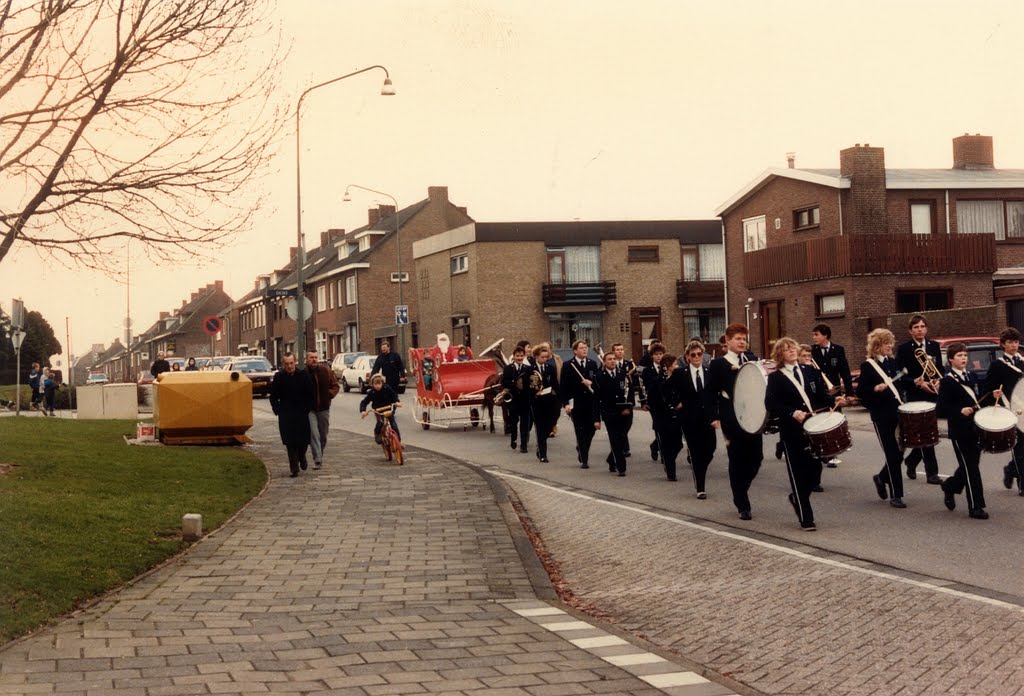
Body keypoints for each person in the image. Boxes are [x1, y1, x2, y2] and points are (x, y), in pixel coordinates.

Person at [765, 337, 845, 531]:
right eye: (786, 349)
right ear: (780, 355)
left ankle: (796, 498)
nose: (792, 351)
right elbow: (771, 404)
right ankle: (806, 517)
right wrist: (791, 412)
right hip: (792, 432)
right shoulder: (776, 377)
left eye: (793, 347)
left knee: (815, 471)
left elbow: (820, 397)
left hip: (813, 428)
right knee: (797, 473)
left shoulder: (810, 371)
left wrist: (836, 399)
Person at [708, 323, 763, 521]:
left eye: (744, 339)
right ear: (728, 341)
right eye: (738, 339)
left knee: (757, 458)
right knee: (737, 460)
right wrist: (714, 417)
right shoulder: (718, 365)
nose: (742, 342)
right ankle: (742, 503)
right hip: (731, 419)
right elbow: (710, 393)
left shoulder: (752, 360)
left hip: (753, 418)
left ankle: (741, 488)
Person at [939, 343, 1000, 519]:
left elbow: (978, 401)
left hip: (975, 428)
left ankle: (949, 486)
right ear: (951, 359)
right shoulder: (947, 381)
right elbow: (941, 409)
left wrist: (992, 395)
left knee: (969, 466)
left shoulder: (971, 376)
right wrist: (959, 411)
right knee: (971, 468)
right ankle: (976, 507)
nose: (964, 358)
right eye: (959, 355)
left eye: (965, 355)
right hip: (959, 431)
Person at [857, 328, 908, 508]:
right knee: (892, 454)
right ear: (877, 345)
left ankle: (881, 478)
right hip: (881, 416)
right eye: (886, 343)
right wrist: (874, 390)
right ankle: (897, 495)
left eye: (890, 343)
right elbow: (861, 392)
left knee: (900, 452)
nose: (890, 346)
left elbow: (901, 385)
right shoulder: (868, 366)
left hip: (898, 413)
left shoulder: (893, 363)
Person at [896, 314, 943, 484]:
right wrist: (915, 383)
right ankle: (932, 473)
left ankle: (911, 461)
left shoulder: (934, 346)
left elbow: (940, 369)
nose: (920, 329)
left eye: (922, 326)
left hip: (932, 395)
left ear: (926, 328)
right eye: (916, 327)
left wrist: (938, 381)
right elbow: (899, 376)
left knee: (928, 433)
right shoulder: (904, 349)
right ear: (910, 331)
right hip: (916, 396)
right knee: (924, 433)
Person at [670, 340, 717, 499]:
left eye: (699, 354)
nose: (696, 357)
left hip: (708, 419)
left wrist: (716, 416)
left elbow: (714, 397)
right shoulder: (680, 373)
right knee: (696, 452)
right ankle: (701, 487)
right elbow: (665, 389)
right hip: (689, 419)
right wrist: (676, 403)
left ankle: (700, 469)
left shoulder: (709, 372)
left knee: (710, 449)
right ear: (688, 357)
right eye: (693, 355)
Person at [983, 327, 1024, 496]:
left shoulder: (1022, 362)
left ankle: (1011, 469)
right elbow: (988, 387)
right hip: (1010, 409)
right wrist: (994, 394)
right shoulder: (997, 365)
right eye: (1010, 342)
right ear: (1003, 344)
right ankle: (1022, 484)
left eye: (1015, 342)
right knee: (1020, 446)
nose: (1013, 345)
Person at [269, 353, 313, 478]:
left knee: (303, 441)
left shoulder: (303, 376)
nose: (289, 366)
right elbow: (273, 397)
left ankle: (302, 456)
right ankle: (294, 468)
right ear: (284, 364)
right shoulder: (279, 377)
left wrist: (307, 408)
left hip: (301, 413)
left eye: (291, 363)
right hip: (286, 415)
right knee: (290, 442)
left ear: (295, 362)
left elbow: (310, 395)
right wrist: (277, 410)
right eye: (287, 364)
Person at [560, 340, 600, 469]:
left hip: (591, 402)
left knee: (591, 429)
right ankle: (584, 458)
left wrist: (591, 383)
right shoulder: (568, 365)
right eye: (582, 348)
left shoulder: (593, 364)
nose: (585, 350)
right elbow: (563, 386)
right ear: (575, 351)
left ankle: (581, 447)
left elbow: (597, 382)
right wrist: (565, 403)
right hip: (575, 403)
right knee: (580, 430)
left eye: (586, 348)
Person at [595, 351, 634, 476]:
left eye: (614, 359)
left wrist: (629, 406)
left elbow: (630, 392)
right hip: (610, 413)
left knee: (622, 438)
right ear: (604, 362)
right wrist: (596, 419)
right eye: (609, 359)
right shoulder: (599, 376)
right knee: (615, 440)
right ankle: (621, 467)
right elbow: (595, 399)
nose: (612, 361)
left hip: (625, 412)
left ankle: (611, 460)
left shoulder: (623, 374)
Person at [648, 352, 682, 481]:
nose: (677, 366)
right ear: (667, 366)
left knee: (679, 444)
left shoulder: (679, 379)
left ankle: (669, 461)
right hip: (663, 418)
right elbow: (653, 400)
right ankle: (671, 472)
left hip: (677, 416)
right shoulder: (657, 381)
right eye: (675, 364)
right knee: (667, 446)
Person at [306, 350, 340, 470]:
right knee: (314, 434)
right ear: (307, 359)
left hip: (324, 408)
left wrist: (328, 395)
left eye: (315, 357)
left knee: (323, 435)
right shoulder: (304, 373)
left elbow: (336, 386)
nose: (314, 359)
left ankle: (320, 453)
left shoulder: (326, 371)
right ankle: (317, 460)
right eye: (311, 357)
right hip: (310, 409)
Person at [529, 345, 560, 462]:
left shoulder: (550, 367)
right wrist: (535, 393)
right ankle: (543, 454)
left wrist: (560, 397)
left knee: (550, 423)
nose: (545, 359)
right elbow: (529, 386)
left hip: (549, 400)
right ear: (536, 356)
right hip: (537, 402)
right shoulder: (531, 369)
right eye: (542, 357)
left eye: (546, 357)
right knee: (540, 427)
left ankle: (543, 439)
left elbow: (555, 384)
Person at [638, 342, 667, 461]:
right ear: (652, 356)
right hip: (654, 402)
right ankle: (662, 452)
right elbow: (643, 386)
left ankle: (655, 445)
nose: (659, 357)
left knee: (666, 427)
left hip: (666, 402)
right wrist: (643, 402)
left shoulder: (667, 368)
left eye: (661, 354)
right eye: (656, 354)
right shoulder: (647, 370)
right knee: (658, 426)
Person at [502, 346, 532, 453]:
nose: (519, 358)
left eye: (521, 356)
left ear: (524, 356)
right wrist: (514, 383)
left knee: (525, 423)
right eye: (517, 356)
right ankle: (513, 439)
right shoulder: (508, 368)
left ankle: (524, 445)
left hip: (525, 399)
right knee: (513, 422)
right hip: (513, 399)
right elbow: (504, 382)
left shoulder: (528, 369)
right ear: (513, 356)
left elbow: (531, 383)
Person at [810, 324, 854, 396]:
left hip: (835, 390)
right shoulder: (812, 350)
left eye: (816, 335)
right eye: (813, 335)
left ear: (825, 335)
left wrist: (849, 393)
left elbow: (845, 373)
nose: (814, 337)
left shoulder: (838, 350)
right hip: (819, 392)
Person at [612, 343, 637, 457]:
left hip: (628, 398)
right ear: (613, 352)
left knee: (628, 423)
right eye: (617, 350)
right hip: (616, 400)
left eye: (621, 349)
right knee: (619, 425)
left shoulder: (629, 364)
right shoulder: (610, 364)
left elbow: (636, 382)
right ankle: (624, 448)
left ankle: (620, 446)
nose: (620, 351)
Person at [360, 374, 401, 442]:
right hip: (378, 411)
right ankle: (377, 434)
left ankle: (399, 442)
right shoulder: (372, 392)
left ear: (382, 383)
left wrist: (397, 402)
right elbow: (364, 402)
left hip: (388, 408)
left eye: (379, 383)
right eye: (375, 384)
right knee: (380, 423)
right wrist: (363, 411)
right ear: (372, 384)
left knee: (393, 424)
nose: (378, 386)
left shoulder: (386, 388)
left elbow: (393, 395)